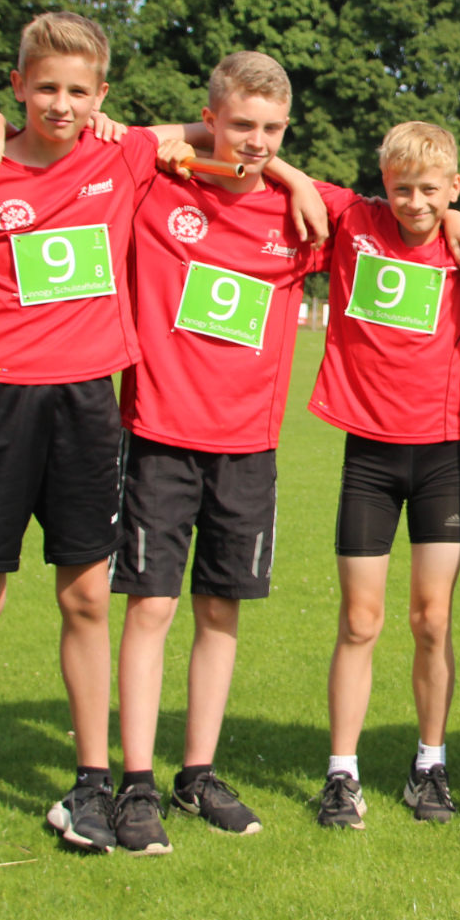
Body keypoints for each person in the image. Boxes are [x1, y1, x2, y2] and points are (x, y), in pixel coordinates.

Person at [0, 12, 165, 865]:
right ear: (17, 85)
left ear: (102, 96)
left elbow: (213, 133)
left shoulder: (121, 156)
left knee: (86, 598)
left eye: (78, 91)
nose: (60, 103)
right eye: (44, 86)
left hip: (87, 404)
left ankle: (90, 788)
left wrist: (298, 179)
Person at [108, 52, 326, 853]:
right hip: (159, 435)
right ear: (209, 118)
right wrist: (199, 145)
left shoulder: (303, 212)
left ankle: (196, 775)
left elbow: (412, 205)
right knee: (151, 608)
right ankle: (136, 782)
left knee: (219, 610)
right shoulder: (159, 184)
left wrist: (294, 180)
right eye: (239, 125)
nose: (256, 142)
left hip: (248, 448)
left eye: (273, 130)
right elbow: (107, 135)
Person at [306, 121, 460, 828]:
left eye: (431, 190)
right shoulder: (354, 222)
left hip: (439, 456)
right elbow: (271, 167)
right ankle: (341, 774)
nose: (416, 202)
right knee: (360, 620)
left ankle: (429, 767)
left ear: (454, 187)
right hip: (368, 458)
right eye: (402, 188)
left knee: (432, 620)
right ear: (384, 184)